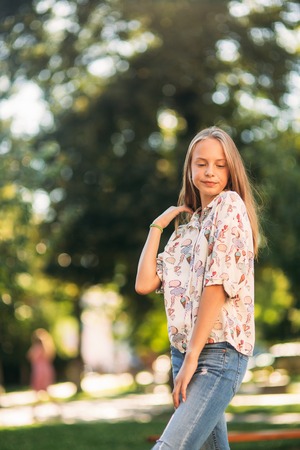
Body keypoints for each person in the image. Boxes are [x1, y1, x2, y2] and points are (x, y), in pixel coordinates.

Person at [135, 126, 260, 450]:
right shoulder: (187, 230)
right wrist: (157, 226)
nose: (210, 172)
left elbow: (216, 285)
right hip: (184, 355)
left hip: (218, 354)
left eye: (220, 164)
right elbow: (145, 283)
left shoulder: (230, 207)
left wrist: (192, 359)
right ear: (189, 168)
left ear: (231, 170)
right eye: (201, 163)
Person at [27, 328, 56, 397]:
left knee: (39, 389)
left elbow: (30, 357)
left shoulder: (36, 348)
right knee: (45, 389)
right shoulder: (45, 348)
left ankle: (36, 405)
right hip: (45, 369)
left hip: (39, 369)